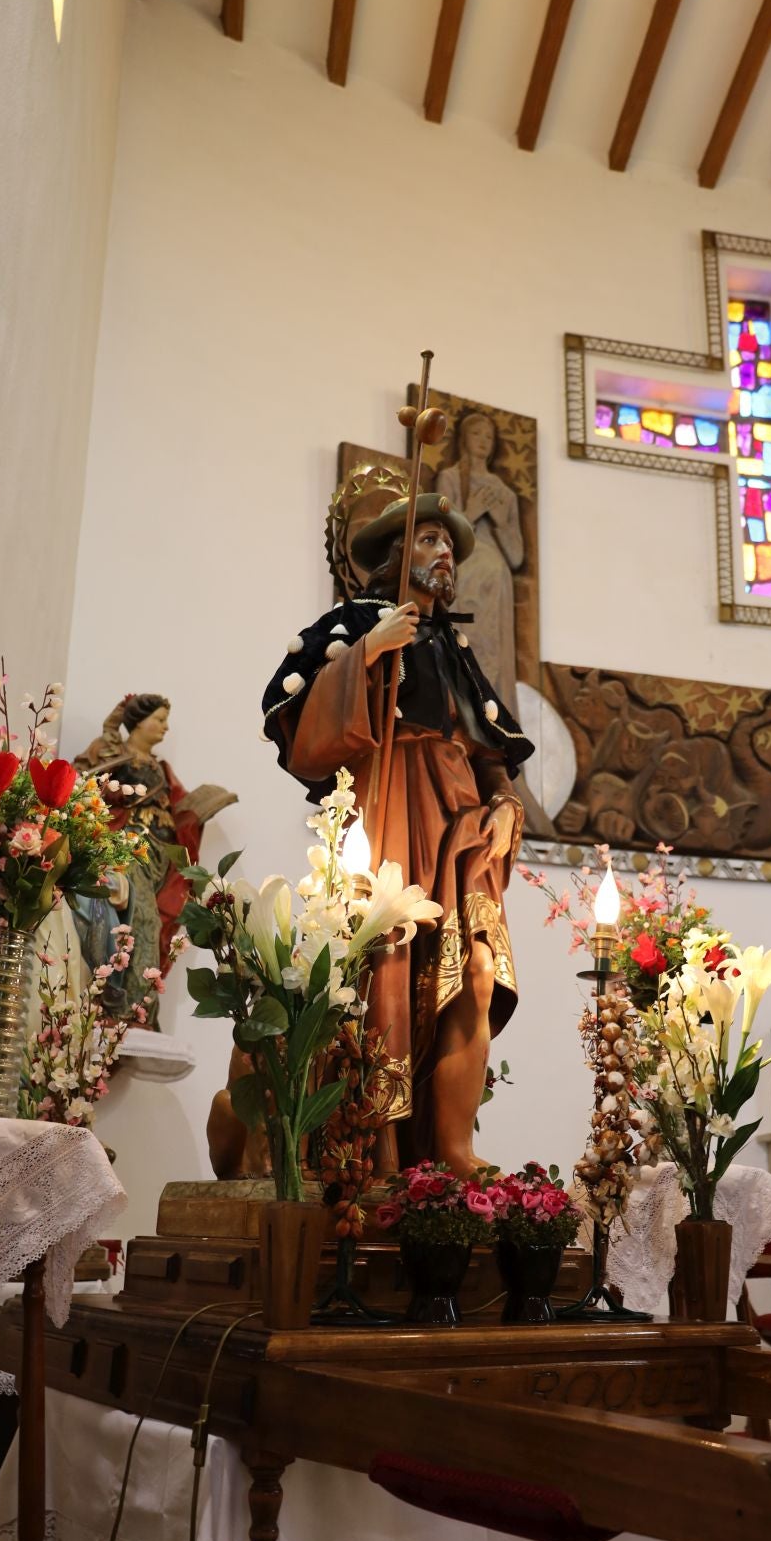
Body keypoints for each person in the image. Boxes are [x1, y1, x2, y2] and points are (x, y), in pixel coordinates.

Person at [261, 492, 533, 1177]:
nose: (445, 553)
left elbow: (490, 752)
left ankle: (452, 1149)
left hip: (460, 826)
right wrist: (367, 655)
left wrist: (505, 805)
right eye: (428, 540)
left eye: (449, 543)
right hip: (387, 806)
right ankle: (372, 1150)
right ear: (393, 556)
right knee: (385, 966)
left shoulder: (456, 647)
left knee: (476, 969)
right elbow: (305, 738)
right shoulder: (351, 624)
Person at [74, 694, 235, 1022]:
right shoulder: (113, 753)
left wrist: (201, 808)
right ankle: (136, 1010)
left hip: (160, 858)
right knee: (142, 919)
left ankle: (136, 1007)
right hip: (127, 849)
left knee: (153, 921)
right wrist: (110, 732)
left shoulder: (161, 769)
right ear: (138, 721)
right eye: (159, 719)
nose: (165, 727)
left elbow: (177, 809)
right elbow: (81, 783)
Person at [434, 411, 525, 715]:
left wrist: (500, 523)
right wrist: (471, 511)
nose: (484, 441)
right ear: (463, 438)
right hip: (464, 573)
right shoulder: (449, 478)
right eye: (477, 434)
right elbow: (440, 538)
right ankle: (460, 707)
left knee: (492, 653)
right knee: (463, 645)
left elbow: (516, 557)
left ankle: (493, 713)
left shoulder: (504, 493)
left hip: (496, 580)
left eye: (489, 436)